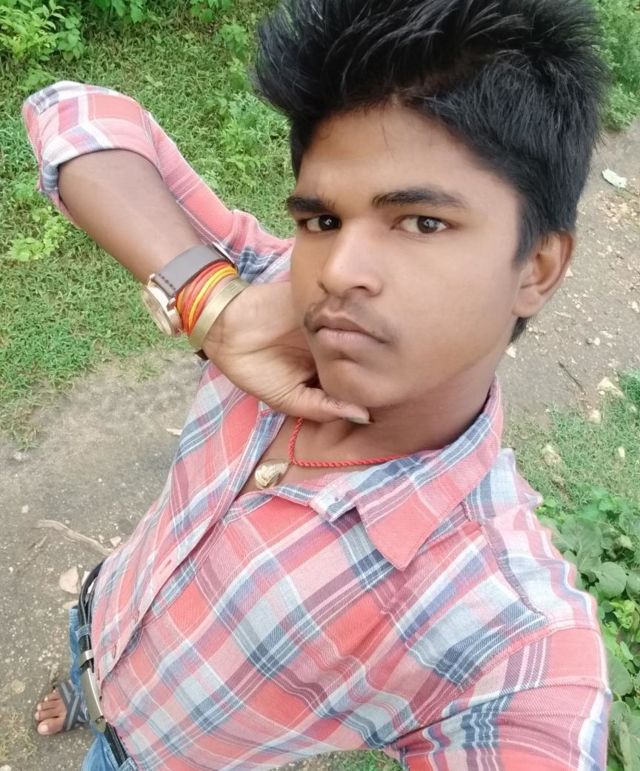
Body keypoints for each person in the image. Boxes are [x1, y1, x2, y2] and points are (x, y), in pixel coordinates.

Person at [26, 0, 611, 768]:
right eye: (323, 221)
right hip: (106, 605)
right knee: (84, 653)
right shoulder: (270, 296)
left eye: (421, 221)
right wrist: (212, 305)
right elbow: (71, 113)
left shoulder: (500, 625)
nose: (338, 271)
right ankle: (80, 685)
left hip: (152, 757)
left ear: (537, 266)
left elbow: (541, 724)